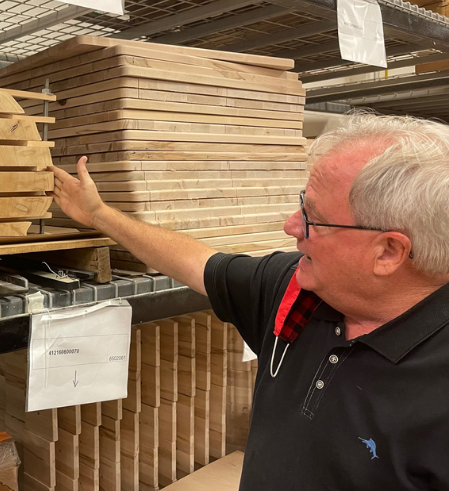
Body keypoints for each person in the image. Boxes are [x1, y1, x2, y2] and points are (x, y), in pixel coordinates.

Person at [49, 112, 449, 490]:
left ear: (388, 252)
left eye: (312, 216)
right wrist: (99, 213)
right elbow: (196, 263)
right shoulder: (298, 292)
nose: (290, 225)